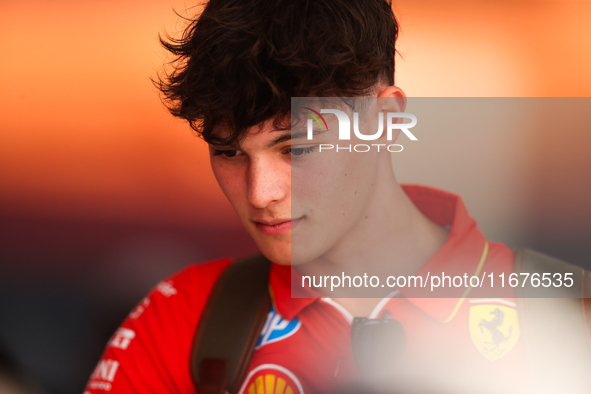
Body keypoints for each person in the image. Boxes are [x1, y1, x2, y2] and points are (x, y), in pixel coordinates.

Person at [85, 0, 591, 393]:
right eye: (229, 152)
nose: (261, 194)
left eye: (297, 148)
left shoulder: (567, 319)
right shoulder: (180, 320)